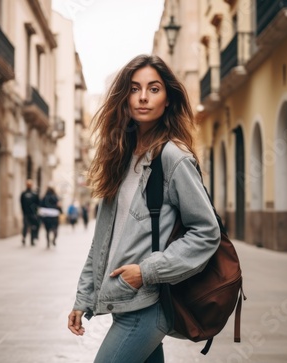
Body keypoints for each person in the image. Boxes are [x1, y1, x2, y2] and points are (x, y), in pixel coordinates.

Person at [67, 54, 221, 363]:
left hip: (148, 304)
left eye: (154, 89)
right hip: (123, 300)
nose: (142, 97)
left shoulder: (173, 158)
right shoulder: (121, 159)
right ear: (124, 99)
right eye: (135, 89)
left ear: (167, 99)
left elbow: (207, 232)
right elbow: (102, 241)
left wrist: (147, 272)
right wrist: (84, 296)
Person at [20, 179, 40, 246]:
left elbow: (21, 204)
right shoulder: (33, 194)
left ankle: (27, 238)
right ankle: (29, 239)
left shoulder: (24, 194)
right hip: (31, 213)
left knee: (27, 226)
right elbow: (38, 204)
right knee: (32, 226)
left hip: (28, 213)